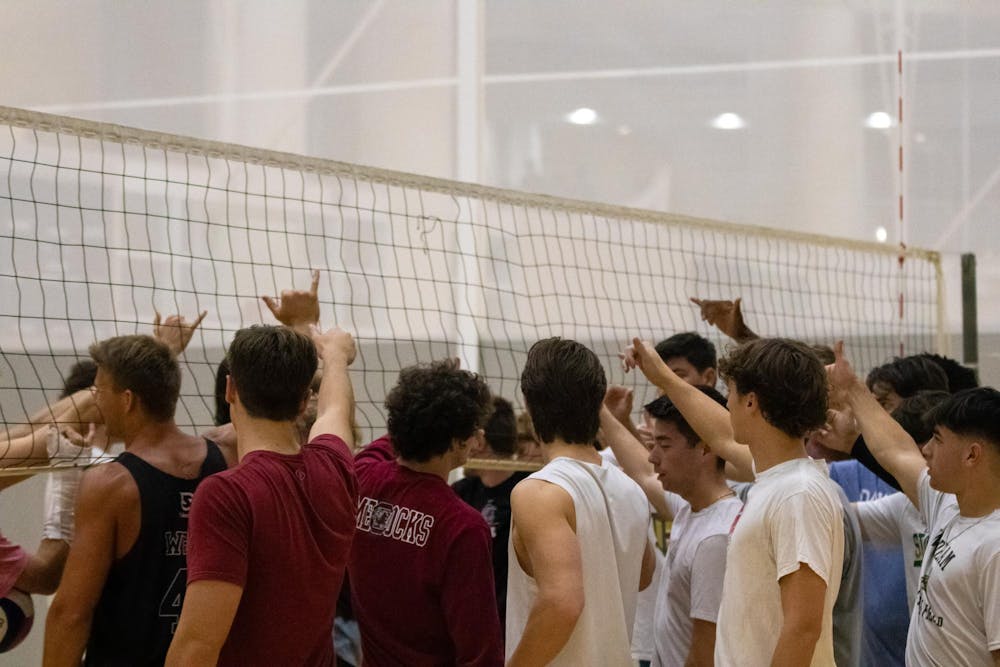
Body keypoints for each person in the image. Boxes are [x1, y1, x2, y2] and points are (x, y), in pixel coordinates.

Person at [624, 336, 845, 666]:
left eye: (731, 393)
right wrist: (663, 378)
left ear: (751, 402)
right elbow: (720, 434)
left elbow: (802, 627)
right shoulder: (778, 479)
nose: (726, 405)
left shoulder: (798, 494)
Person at [165, 323, 359, 666]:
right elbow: (335, 410)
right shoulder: (335, 467)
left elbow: (196, 647)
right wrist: (336, 356)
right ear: (303, 401)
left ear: (230, 389)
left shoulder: (226, 494)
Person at [43, 313, 230, 667]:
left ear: (127, 400)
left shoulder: (110, 484)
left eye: (99, 390)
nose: (95, 401)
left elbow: (70, 613)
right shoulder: (224, 458)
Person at [828, 342, 1000, 666]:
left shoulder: (994, 548)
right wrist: (851, 387)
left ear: (972, 455)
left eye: (937, 439)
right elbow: (896, 451)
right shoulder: (946, 505)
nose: (925, 451)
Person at [506, 337, 656, 666]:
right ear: (596, 404)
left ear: (529, 405)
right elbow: (644, 576)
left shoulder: (540, 492)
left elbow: (562, 603)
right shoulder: (632, 490)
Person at [349, 359, 503, 666]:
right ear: (455, 439)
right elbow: (480, 652)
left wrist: (431, 398)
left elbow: (391, 440)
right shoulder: (463, 527)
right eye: (473, 429)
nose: (478, 437)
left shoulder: (362, 477)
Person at [600, 385, 741, 667]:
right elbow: (642, 471)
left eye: (664, 446)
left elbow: (705, 654)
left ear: (705, 447)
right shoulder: (691, 507)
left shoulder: (715, 538)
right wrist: (601, 412)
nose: (653, 456)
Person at [451, 396, 528, 628]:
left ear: (480, 442)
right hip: (469, 617)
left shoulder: (528, 491)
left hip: (513, 620)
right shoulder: (461, 493)